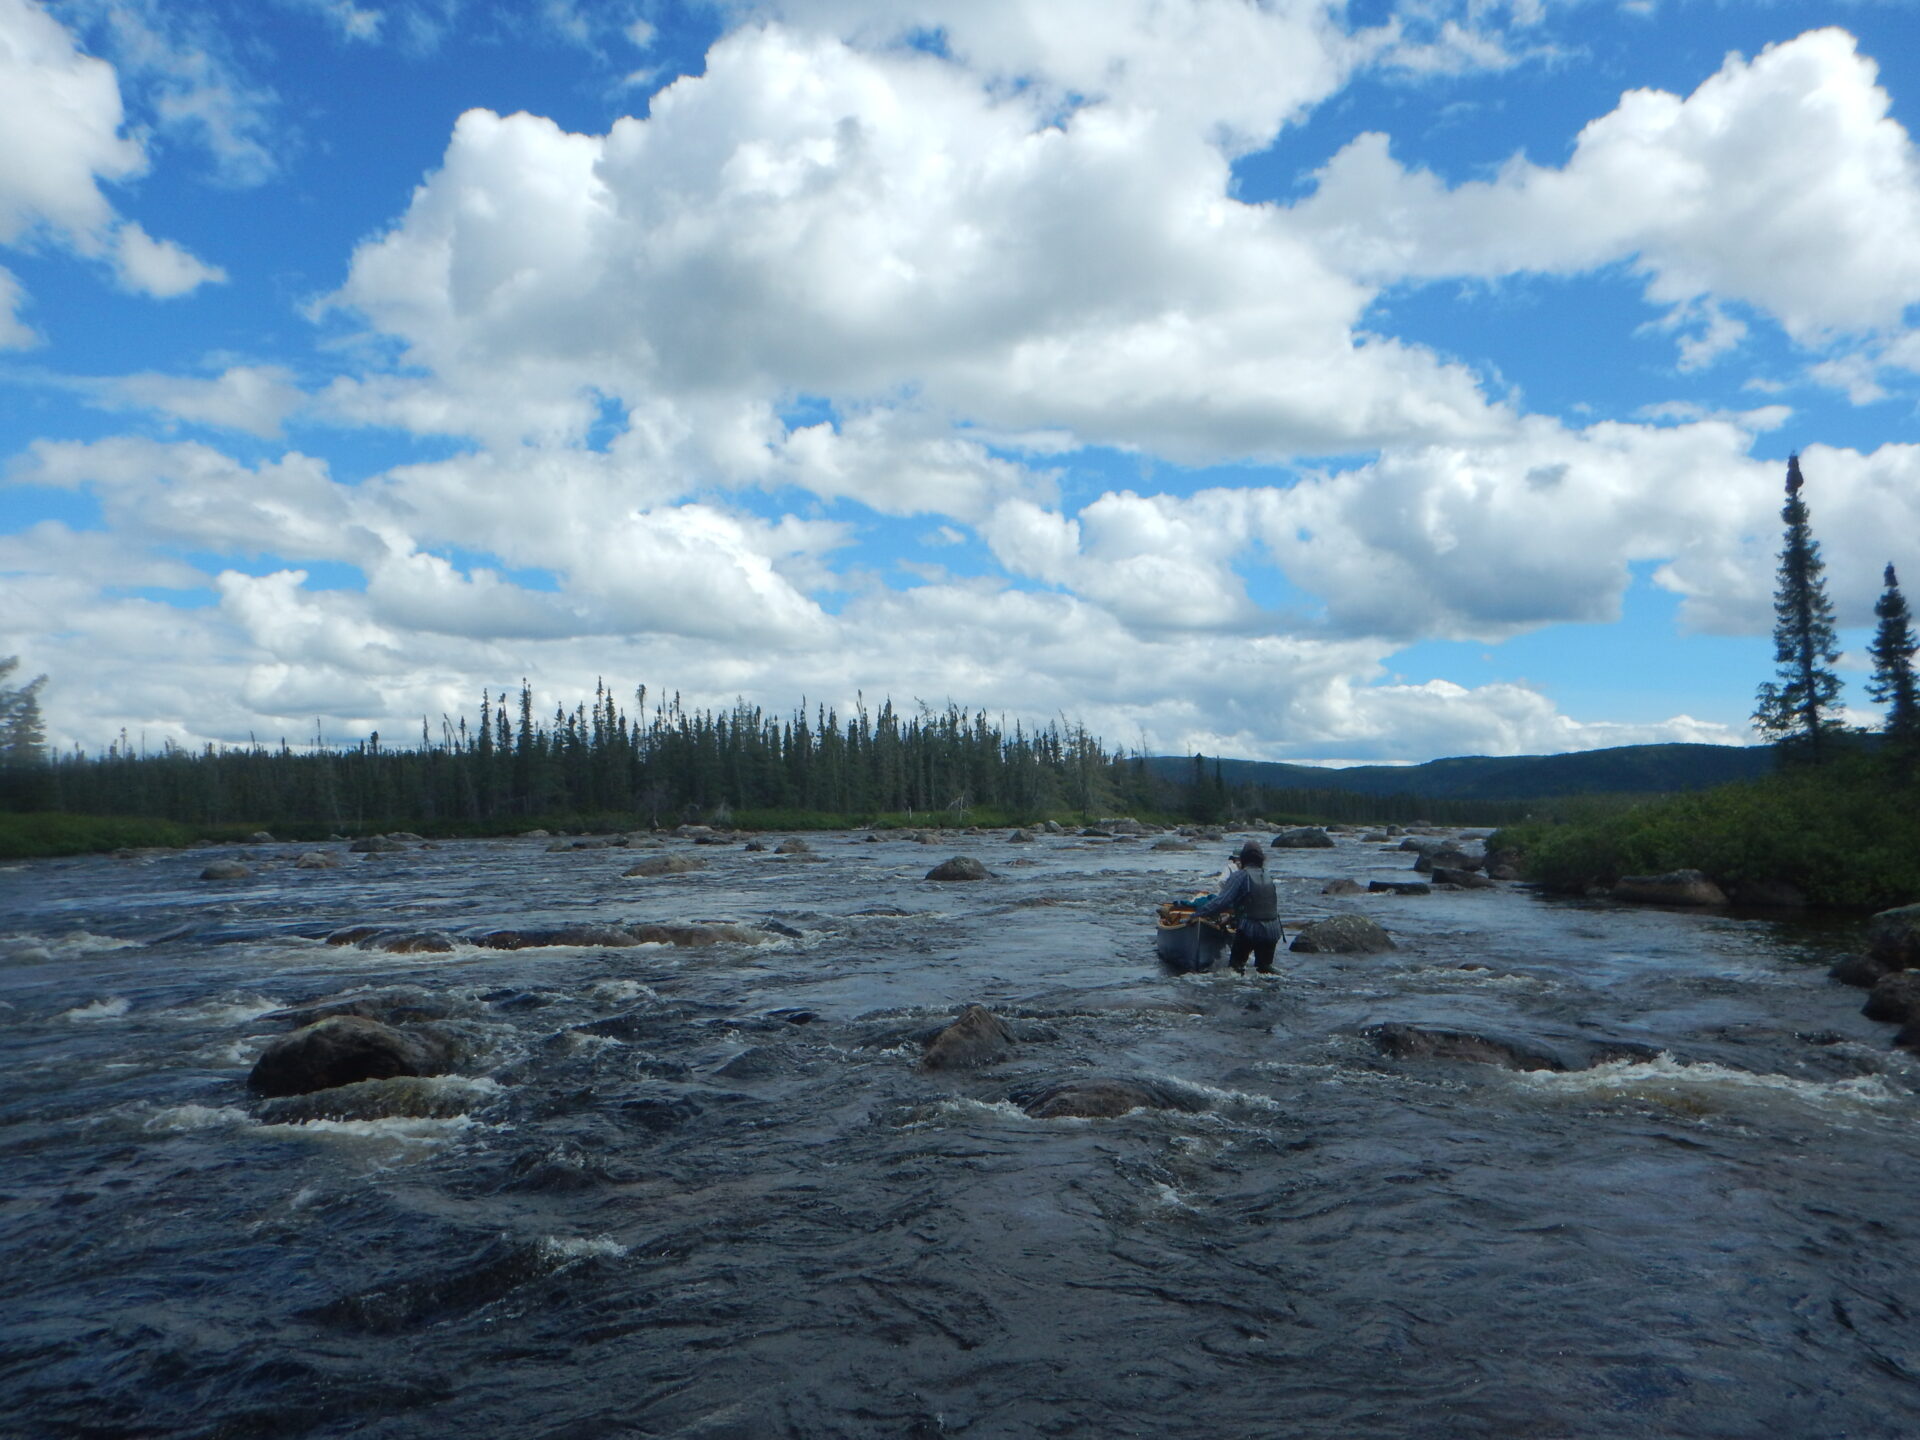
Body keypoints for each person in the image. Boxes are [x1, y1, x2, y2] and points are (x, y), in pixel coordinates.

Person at [1191, 841, 1284, 974]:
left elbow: (1220, 902)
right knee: (1264, 969)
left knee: (1235, 969)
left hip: (1250, 929)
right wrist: (1232, 917)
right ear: (1261, 859)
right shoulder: (1268, 876)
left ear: (1243, 858)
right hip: (1273, 931)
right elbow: (1258, 905)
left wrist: (1196, 914)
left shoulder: (1240, 876)